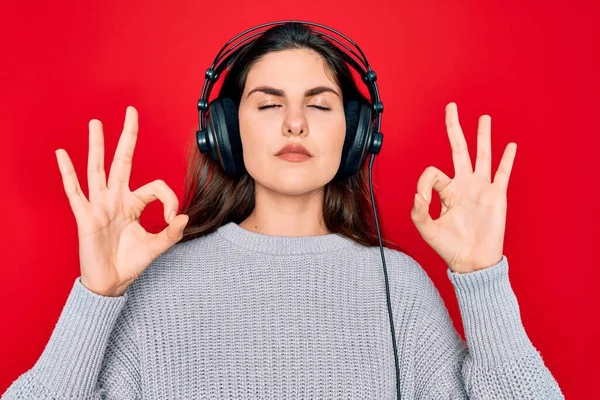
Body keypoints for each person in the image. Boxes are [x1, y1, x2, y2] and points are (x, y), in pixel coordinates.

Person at [2, 22, 563, 399]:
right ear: (223, 132)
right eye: (268, 103)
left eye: (320, 104)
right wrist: (94, 299)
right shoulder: (160, 286)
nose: (295, 122)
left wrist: (482, 280)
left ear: (356, 135)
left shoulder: (403, 292)